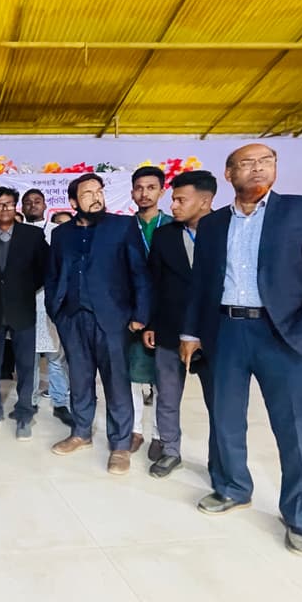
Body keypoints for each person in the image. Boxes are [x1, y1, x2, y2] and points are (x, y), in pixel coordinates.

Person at [181, 144, 302, 557]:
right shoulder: (213, 224)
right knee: (225, 418)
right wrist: (191, 332)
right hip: (226, 330)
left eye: (265, 162)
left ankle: (301, 515)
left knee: (295, 428)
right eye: (247, 163)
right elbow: (201, 283)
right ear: (229, 173)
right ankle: (233, 487)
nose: (257, 169)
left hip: (285, 334)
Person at [45, 173, 151, 475]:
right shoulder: (61, 234)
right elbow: (53, 274)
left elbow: (140, 273)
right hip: (72, 318)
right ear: (73, 202)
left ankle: (120, 445)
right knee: (79, 379)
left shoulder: (122, 226)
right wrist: (57, 311)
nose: (96, 198)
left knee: (116, 383)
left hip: (113, 319)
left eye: (99, 191)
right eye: (87, 193)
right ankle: (81, 432)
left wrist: (140, 316)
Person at [142, 170, 217, 478]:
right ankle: (171, 450)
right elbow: (154, 283)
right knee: (168, 397)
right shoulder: (165, 235)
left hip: (216, 333)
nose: (172, 206)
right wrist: (151, 322)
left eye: (180, 200)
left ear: (205, 201)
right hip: (170, 328)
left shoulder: (226, 230)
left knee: (220, 402)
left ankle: (220, 460)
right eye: (173, 199)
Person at [0, 186, 48, 440]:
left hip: (22, 309)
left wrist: (23, 289)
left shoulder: (33, 235)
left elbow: (44, 269)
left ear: (16, 207)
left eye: (9, 204)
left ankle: (24, 414)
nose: (4, 209)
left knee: (26, 366)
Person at [16, 187, 71, 427]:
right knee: (28, 357)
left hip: (50, 301)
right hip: (24, 302)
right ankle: (29, 401)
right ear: (22, 207)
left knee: (55, 356)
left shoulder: (56, 232)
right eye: (28, 202)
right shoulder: (17, 233)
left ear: (45, 205)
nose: (32, 205)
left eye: (37, 201)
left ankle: (60, 402)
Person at [129, 166, 170, 457]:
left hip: (166, 311)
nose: (144, 193)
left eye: (151, 187)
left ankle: (159, 434)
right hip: (132, 313)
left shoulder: (172, 225)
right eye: (139, 188)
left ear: (162, 191)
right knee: (131, 375)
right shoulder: (123, 227)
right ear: (132, 192)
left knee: (162, 379)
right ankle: (135, 431)